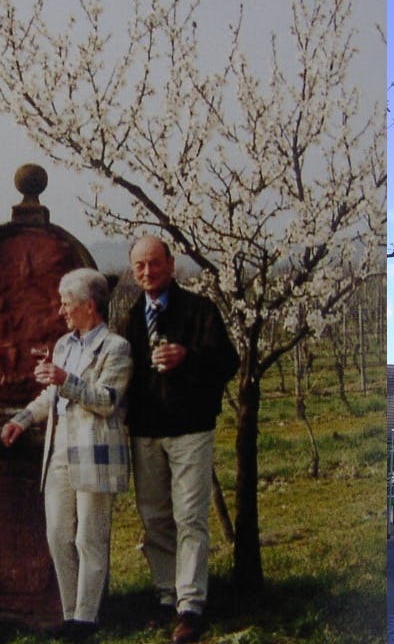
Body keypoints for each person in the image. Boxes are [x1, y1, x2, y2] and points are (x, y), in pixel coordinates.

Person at [0, 268, 132, 642]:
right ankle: (69, 612)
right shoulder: (63, 345)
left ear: (89, 306)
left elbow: (107, 401)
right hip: (59, 450)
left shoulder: (116, 348)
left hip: (95, 451)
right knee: (58, 533)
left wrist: (65, 381)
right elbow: (50, 398)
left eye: (67, 304)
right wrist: (22, 421)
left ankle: (86, 618)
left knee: (89, 537)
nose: (61, 311)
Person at [119, 236, 239, 644]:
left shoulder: (199, 311)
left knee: (189, 517)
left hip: (190, 428)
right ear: (133, 272)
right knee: (154, 517)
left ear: (171, 264)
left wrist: (188, 356)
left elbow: (228, 361)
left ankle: (190, 606)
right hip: (147, 431)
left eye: (155, 263)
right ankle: (166, 595)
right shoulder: (132, 319)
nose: (148, 272)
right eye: (140, 266)